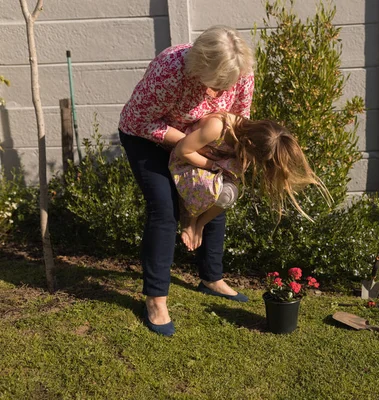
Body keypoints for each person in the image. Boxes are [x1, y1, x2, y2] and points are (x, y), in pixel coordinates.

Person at [118, 26, 254, 336]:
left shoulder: (240, 72)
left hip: (199, 141)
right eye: (215, 85)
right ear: (199, 66)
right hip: (148, 137)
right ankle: (155, 298)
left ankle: (211, 278)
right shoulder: (170, 68)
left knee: (215, 190)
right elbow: (141, 120)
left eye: (227, 85)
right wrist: (194, 147)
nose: (220, 93)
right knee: (164, 210)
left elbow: (239, 117)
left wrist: (221, 158)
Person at [168, 112, 330, 253]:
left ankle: (200, 224)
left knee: (229, 194)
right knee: (212, 187)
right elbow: (182, 151)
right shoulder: (218, 127)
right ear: (251, 145)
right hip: (187, 163)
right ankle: (190, 218)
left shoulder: (248, 137)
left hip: (214, 167)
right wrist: (213, 166)